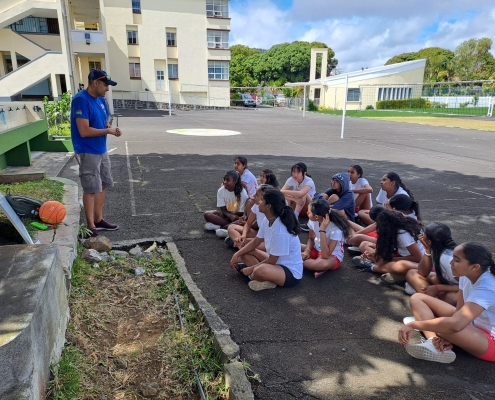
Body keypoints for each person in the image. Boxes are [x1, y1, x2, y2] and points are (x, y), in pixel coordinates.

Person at [399, 242, 495, 364]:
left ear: (475, 267)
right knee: (418, 298)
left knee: (444, 326)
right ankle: (433, 342)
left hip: (491, 341)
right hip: (471, 324)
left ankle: (436, 337)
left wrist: (414, 325)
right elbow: (458, 311)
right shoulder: (466, 275)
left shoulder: (487, 287)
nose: (451, 263)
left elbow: (456, 325)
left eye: (457, 260)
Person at [71, 69, 121, 237]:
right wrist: (107, 132)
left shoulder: (101, 100)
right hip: (87, 150)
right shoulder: (80, 100)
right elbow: (84, 131)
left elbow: (104, 121)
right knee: (91, 188)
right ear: (95, 83)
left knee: (103, 184)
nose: (107, 88)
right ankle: (90, 226)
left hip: (101, 149)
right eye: (105, 85)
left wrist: (110, 128)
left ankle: (99, 220)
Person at [229, 189, 302, 291]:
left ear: (269, 206)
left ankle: (259, 277)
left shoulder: (280, 230)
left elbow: (272, 260)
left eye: (262, 200)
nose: (259, 202)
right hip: (276, 264)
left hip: (290, 272)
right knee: (245, 251)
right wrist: (236, 254)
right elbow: (256, 241)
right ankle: (265, 279)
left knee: (260, 270)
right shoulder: (267, 219)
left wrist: (251, 269)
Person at [399, 223, 458, 305]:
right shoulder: (438, 248)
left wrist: (437, 288)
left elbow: (465, 286)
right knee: (412, 273)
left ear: (429, 241)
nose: (422, 235)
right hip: (448, 283)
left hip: (461, 292)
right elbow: (422, 273)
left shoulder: (449, 260)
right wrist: (428, 249)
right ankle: (436, 302)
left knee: (454, 298)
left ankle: (436, 306)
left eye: (424, 234)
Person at [353, 209, 424, 274]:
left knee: (399, 266)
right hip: (401, 254)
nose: (377, 229)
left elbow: (418, 258)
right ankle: (389, 270)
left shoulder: (403, 235)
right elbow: (389, 247)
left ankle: (373, 267)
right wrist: (375, 254)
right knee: (364, 245)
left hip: (417, 262)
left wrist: (389, 259)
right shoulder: (394, 228)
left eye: (379, 226)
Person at [301, 199, 350, 278]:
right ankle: (315, 266)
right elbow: (311, 239)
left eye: (309, 212)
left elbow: (326, 255)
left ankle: (297, 261)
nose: (307, 213)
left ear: (316, 216)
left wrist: (322, 230)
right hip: (316, 249)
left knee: (320, 264)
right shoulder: (312, 221)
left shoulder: (336, 229)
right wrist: (307, 251)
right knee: (295, 245)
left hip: (332, 256)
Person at [226, 184, 272, 248]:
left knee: (248, 247)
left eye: (257, 195)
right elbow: (248, 223)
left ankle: (240, 247)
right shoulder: (257, 206)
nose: (253, 196)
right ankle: (241, 247)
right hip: (259, 236)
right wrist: (243, 236)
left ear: (264, 199)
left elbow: (267, 238)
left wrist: (245, 240)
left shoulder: (272, 214)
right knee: (231, 227)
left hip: (268, 241)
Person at [204, 170, 248, 236]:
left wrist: (232, 216)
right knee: (207, 214)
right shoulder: (221, 191)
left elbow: (241, 213)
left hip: (237, 217)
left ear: (235, 181)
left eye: (228, 180)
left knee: (243, 222)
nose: (224, 182)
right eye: (224, 179)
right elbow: (223, 209)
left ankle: (220, 227)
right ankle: (227, 227)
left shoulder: (243, 193)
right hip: (226, 215)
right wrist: (229, 215)